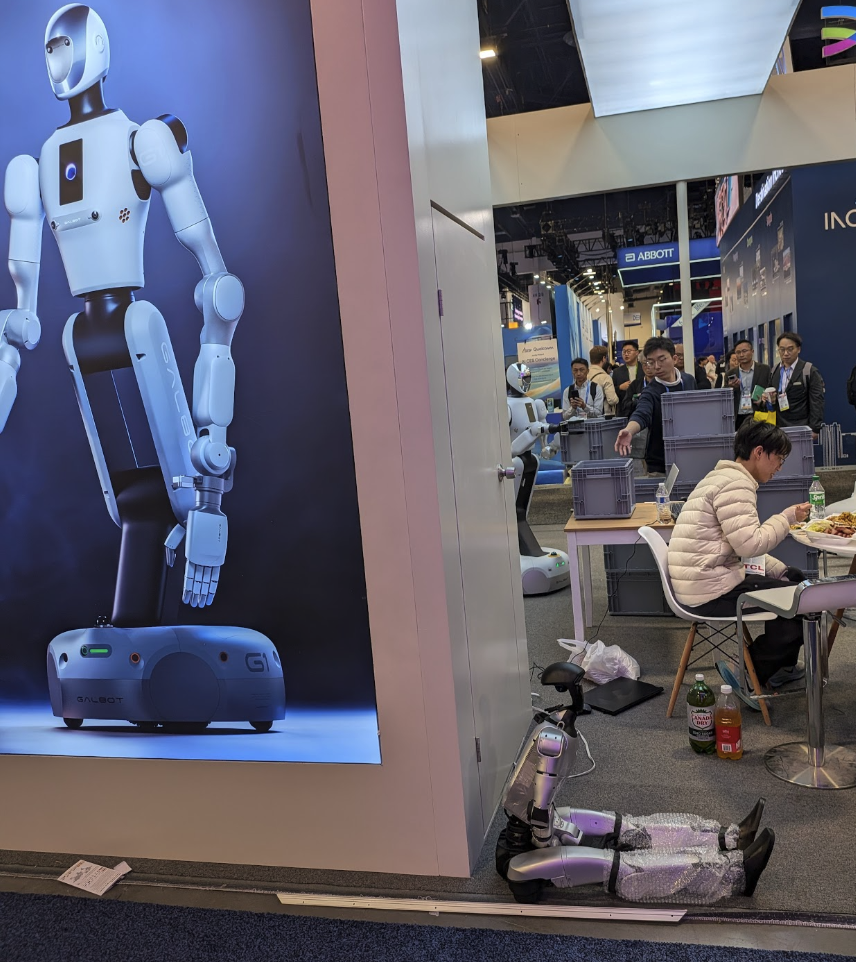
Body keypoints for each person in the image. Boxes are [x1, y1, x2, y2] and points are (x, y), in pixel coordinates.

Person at [668, 420, 811, 688]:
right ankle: (752, 672)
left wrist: (777, 570)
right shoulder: (736, 485)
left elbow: (736, 545)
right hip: (710, 591)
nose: (779, 468)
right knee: (802, 600)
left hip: (702, 581)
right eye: (779, 459)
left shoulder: (720, 477)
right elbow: (749, 546)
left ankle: (783, 666)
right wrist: (786, 518)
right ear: (759, 452)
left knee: (793, 577)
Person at [614, 336, 696, 475]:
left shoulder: (688, 381)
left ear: (674, 359)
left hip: (689, 455)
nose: (656, 366)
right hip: (660, 462)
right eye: (651, 362)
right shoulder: (650, 391)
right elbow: (642, 414)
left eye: (661, 360)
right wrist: (629, 430)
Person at [766, 332, 825, 440]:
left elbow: (817, 401)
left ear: (798, 349)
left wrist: (815, 428)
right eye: (782, 349)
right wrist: (768, 399)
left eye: (790, 349)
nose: (786, 353)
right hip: (779, 428)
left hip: (802, 426)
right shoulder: (774, 371)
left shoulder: (809, 371)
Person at [726, 339, 771, 429]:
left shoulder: (764, 369)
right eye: (738, 352)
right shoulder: (730, 373)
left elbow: (770, 388)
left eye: (744, 351)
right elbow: (725, 394)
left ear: (752, 351)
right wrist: (731, 387)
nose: (741, 355)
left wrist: (763, 400)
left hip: (758, 412)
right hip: (738, 415)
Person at [588, 345, 619, 416]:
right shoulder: (605, 377)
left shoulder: (584, 375)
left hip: (586, 414)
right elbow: (612, 400)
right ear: (603, 358)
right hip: (602, 416)